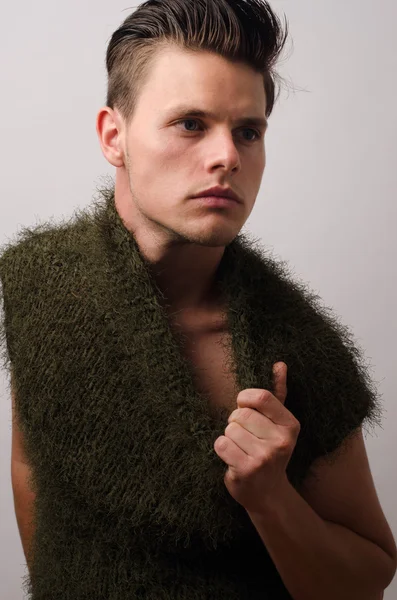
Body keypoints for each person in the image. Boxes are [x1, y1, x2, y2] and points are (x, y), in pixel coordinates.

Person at [2, 1, 396, 599]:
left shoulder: (300, 349)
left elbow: (369, 577)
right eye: (190, 123)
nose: (228, 157)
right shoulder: (39, 283)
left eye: (248, 131)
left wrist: (271, 500)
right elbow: (33, 467)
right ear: (115, 136)